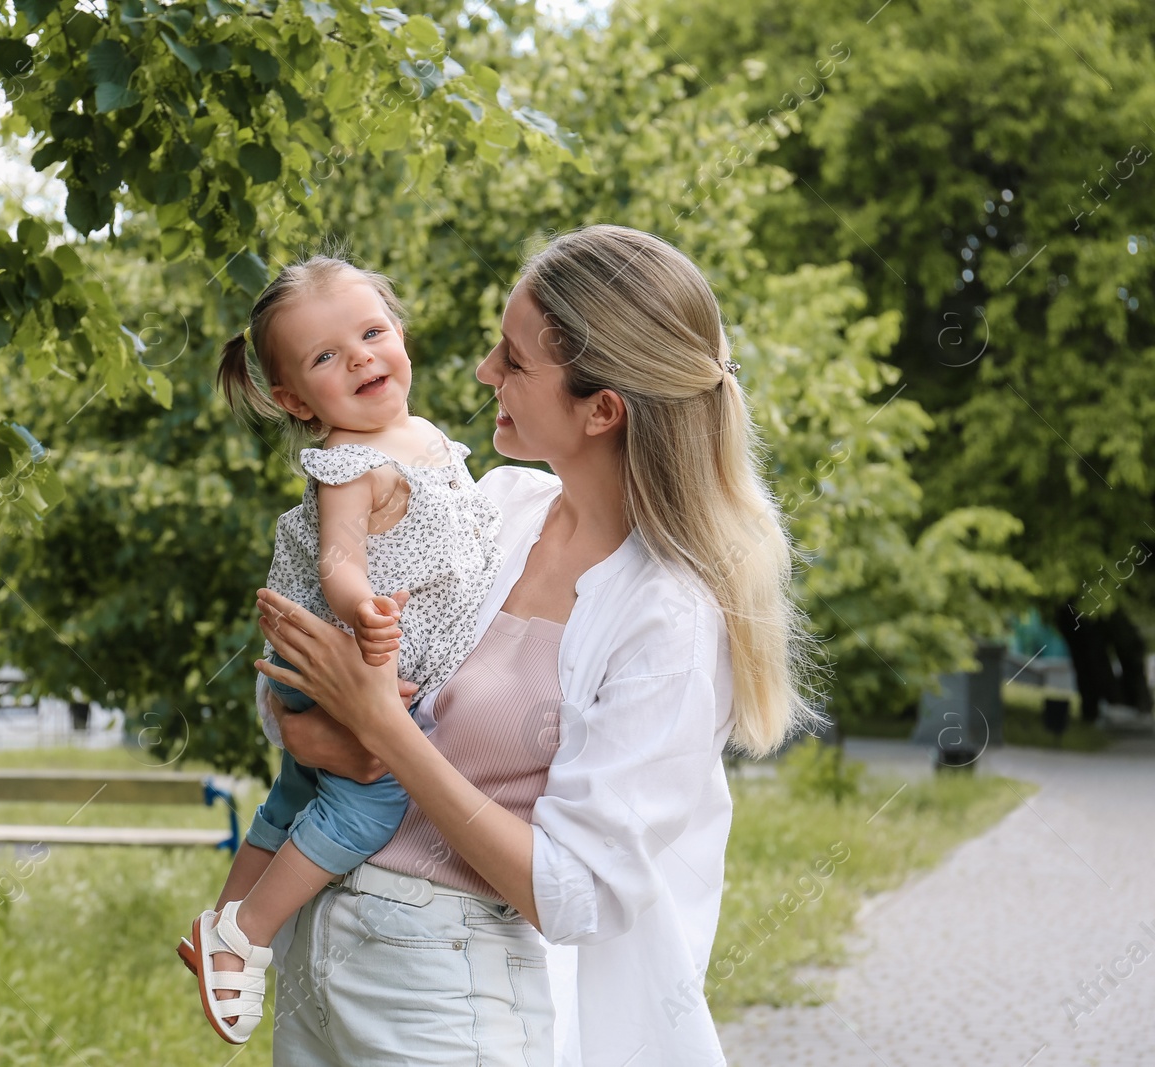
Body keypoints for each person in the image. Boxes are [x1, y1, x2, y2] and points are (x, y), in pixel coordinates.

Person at [249, 224, 818, 1065]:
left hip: (451, 994)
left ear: (602, 409)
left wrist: (384, 730)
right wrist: (292, 722)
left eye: (513, 361)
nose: (483, 373)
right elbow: (341, 654)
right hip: (328, 957)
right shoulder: (500, 507)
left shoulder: (668, 621)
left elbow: (573, 891)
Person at [176, 252, 506, 1044]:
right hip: (343, 659)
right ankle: (250, 933)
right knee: (370, 800)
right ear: (293, 398)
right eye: (327, 355)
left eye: (371, 331)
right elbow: (339, 561)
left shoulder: (424, 437)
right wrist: (366, 611)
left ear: (401, 334)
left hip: (329, 671)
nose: (361, 355)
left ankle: (217, 919)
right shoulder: (351, 464)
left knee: (294, 796)